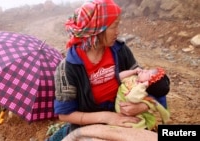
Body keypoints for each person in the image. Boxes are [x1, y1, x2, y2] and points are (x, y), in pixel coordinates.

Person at [46, 0, 167, 140]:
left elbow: (154, 83)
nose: (118, 31)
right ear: (97, 29)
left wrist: (142, 106)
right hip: (89, 127)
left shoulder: (120, 50)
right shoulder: (68, 68)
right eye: (114, 26)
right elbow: (65, 114)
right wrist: (108, 117)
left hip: (126, 121)